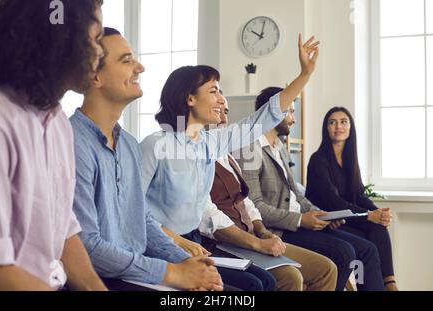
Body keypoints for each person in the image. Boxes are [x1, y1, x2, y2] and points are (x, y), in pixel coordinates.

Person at [141, 34, 320, 291]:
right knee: (254, 286)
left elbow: (259, 121)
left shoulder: (208, 143)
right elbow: (132, 211)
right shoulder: (154, 146)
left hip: (193, 240)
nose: (220, 100)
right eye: (213, 91)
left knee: (265, 281)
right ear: (189, 99)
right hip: (160, 245)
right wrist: (178, 242)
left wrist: (304, 75)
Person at [70, 27, 223, 291]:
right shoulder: (71, 141)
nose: (139, 67)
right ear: (95, 76)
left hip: (137, 269)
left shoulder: (128, 144)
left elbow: (142, 221)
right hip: (99, 278)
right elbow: (85, 245)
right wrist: (172, 272)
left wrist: (189, 264)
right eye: (127, 60)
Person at [0, 0, 107, 290]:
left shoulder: (57, 121)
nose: (101, 51)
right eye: (95, 38)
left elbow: (64, 229)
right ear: (60, 39)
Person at [237, 87, 385, 291]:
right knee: (345, 253)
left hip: (300, 224)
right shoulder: (249, 149)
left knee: (366, 248)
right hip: (281, 229)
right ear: (272, 111)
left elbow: (297, 195)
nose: (293, 119)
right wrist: (300, 220)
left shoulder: (280, 147)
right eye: (289, 111)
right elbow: (254, 206)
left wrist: (320, 214)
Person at [197, 93, 338, 291]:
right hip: (226, 243)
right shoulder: (198, 157)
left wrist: (262, 231)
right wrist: (257, 242)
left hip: (255, 234)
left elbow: (247, 202)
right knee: (291, 277)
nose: (223, 118)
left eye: (226, 112)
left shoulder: (227, 156)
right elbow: (209, 218)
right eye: (217, 111)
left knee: (326, 268)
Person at [305, 106, 398, 291]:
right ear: (326, 128)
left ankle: (390, 283)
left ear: (350, 127)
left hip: (346, 218)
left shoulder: (350, 160)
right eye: (332, 122)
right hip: (327, 222)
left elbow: (359, 194)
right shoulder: (318, 159)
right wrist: (368, 215)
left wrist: (377, 212)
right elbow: (333, 201)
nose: (338, 126)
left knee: (378, 228)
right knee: (367, 245)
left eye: (343, 121)